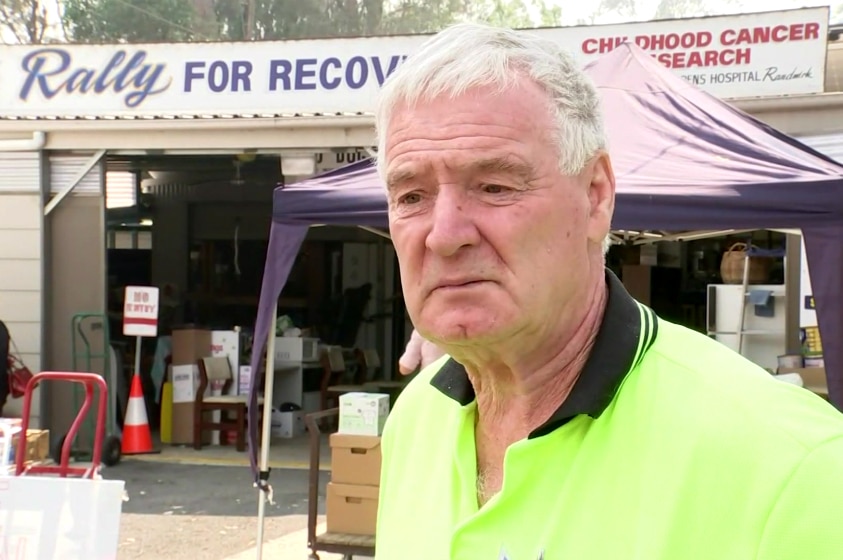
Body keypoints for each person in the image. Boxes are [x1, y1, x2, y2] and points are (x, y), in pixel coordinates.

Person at [373, 22, 843, 560]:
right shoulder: (414, 422)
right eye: (411, 196)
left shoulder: (795, 467)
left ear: (595, 197)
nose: (445, 234)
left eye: (495, 186)